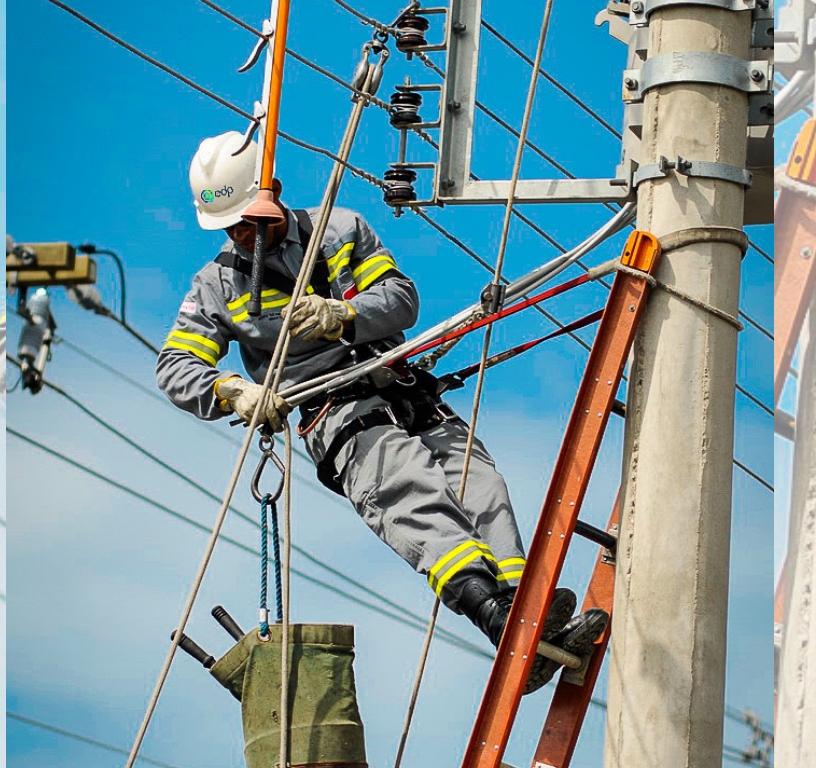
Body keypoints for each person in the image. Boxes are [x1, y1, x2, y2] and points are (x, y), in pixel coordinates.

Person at [157, 131, 607, 693]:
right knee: (409, 489)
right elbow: (176, 366)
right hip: (338, 412)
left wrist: (341, 316)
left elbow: (401, 301)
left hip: (405, 387)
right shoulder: (216, 287)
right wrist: (233, 392)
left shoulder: (340, 230)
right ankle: (495, 617)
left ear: (270, 194)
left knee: (482, 486)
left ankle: (524, 612)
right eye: (228, 226)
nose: (238, 235)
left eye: (246, 220)